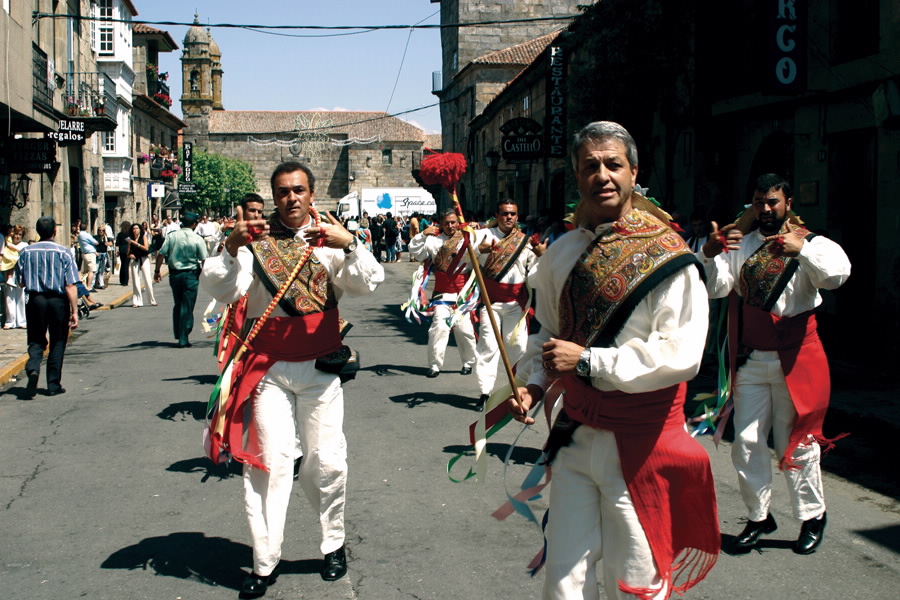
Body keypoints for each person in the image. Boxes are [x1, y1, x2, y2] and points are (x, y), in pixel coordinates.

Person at [508, 121, 719, 599]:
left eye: (613, 164)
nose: (602, 175)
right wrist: (535, 385)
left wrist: (589, 362)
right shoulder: (561, 254)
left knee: (636, 582)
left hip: (641, 444)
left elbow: (681, 354)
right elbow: (548, 336)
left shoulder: (670, 257)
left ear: (634, 172)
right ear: (577, 178)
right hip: (578, 435)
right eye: (590, 166)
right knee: (564, 577)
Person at [200, 161, 383, 598]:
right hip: (269, 371)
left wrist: (352, 244)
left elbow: (366, 285)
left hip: (321, 369)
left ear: (312, 192)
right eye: (283, 191)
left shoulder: (330, 238)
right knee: (270, 463)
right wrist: (229, 247)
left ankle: (332, 542)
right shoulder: (254, 244)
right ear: (274, 196)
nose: (291, 198)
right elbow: (223, 290)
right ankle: (264, 561)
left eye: (299, 189)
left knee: (326, 461)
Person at [699, 173, 851, 556]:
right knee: (746, 442)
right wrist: (712, 253)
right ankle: (758, 516)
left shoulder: (813, 242)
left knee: (795, 443)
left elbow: (836, 277)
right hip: (752, 358)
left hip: (798, 355)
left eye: (773, 202)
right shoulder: (742, 243)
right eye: (758, 202)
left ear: (788, 203)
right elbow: (718, 288)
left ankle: (812, 515)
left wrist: (802, 250)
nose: (765, 209)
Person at [472, 201, 542, 411]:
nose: (509, 217)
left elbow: (535, 275)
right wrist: (477, 249)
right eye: (505, 214)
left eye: (512, 214)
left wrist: (542, 257)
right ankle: (485, 392)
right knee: (488, 346)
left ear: (517, 217)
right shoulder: (484, 235)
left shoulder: (526, 242)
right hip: (490, 302)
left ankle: (519, 389)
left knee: (519, 346)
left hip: (515, 305)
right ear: (497, 215)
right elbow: (467, 253)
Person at [409, 208, 477, 378]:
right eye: (446, 223)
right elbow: (416, 253)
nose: (450, 226)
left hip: (463, 295)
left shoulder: (468, 238)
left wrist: (477, 228)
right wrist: (423, 234)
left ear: (458, 222)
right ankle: (434, 365)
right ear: (441, 223)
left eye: (453, 222)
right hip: (442, 294)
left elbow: (483, 249)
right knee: (438, 328)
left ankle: (469, 363)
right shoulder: (433, 241)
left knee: (465, 330)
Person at [16, 216, 80, 398]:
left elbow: (21, 282)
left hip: (35, 300)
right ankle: (53, 383)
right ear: (55, 231)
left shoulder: (26, 252)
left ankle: (33, 367)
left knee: (36, 338)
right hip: (58, 301)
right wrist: (74, 311)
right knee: (58, 340)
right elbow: (71, 285)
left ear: (37, 232)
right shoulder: (64, 252)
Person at [154, 211, 208, 347]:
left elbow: (161, 254)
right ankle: (184, 335)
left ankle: (179, 331)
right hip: (191, 275)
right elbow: (204, 259)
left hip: (175, 274)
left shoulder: (172, 237)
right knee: (187, 305)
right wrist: (204, 274)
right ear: (195, 224)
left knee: (178, 303)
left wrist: (157, 270)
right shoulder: (197, 239)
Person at [2, 225, 28, 329]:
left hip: (20, 273)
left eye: (20, 234)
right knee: (9, 296)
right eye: (16, 234)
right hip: (10, 272)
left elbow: (18, 250)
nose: (17, 236)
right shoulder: (8, 243)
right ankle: (10, 321)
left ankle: (21, 321)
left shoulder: (24, 245)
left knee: (21, 296)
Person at [127, 223, 157, 307]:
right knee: (136, 281)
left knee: (147, 279)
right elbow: (128, 252)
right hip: (135, 260)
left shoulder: (143, 237)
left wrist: (136, 244)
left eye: (137, 228)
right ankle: (137, 301)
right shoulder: (130, 239)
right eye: (133, 229)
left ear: (140, 229)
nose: (135, 230)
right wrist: (130, 255)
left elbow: (146, 248)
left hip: (144, 258)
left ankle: (152, 300)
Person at [77, 222, 101, 291]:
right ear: (86, 227)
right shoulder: (86, 234)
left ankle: (83, 284)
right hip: (90, 254)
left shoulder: (79, 235)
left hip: (84, 253)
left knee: (84, 271)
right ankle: (89, 286)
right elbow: (95, 242)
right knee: (92, 270)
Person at [116, 221, 132, 286]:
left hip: (122, 250)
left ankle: (122, 280)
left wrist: (117, 251)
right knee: (126, 265)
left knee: (122, 265)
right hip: (128, 250)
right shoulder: (130, 234)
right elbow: (130, 242)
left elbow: (117, 244)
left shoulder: (120, 234)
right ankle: (125, 281)